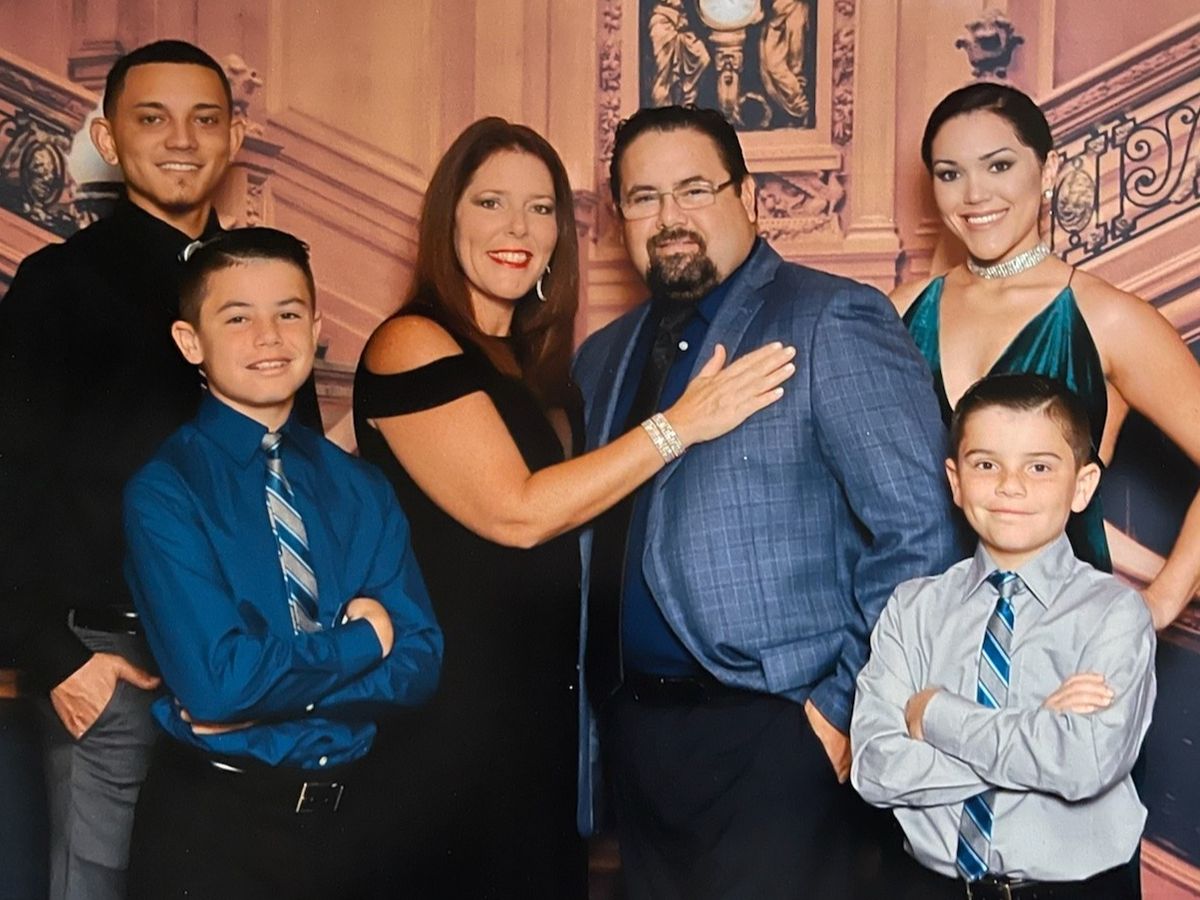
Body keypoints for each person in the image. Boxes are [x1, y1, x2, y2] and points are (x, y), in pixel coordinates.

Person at [352, 117, 792, 898]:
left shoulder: (543, 367)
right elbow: (518, 513)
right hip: (453, 716)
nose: (518, 229)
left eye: (541, 208)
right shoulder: (412, 342)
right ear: (448, 218)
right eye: (490, 203)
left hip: (541, 714)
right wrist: (680, 424)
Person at [573, 104, 962, 900]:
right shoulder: (603, 356)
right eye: (644, 197)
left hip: (775, 734)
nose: (669, 216)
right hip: (635, 736)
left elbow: (922, 529)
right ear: (620, 216)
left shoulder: (829, 318)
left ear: (746, 194)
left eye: (694, 189)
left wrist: (839, 709)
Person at [0, 39, 317, 900]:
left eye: (204, 119)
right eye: (153, 118)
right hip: (115, 669)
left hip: (249, 667)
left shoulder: (268, 285)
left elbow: (300, 479)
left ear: (235, 136)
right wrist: (56, 658)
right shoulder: (57, 287)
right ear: (108, 137)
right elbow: (6, 482)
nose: (181, 139)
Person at [122, 227, 442, 900]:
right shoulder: (165, 492)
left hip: (353, 825)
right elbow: (219, 686)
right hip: (218, 831)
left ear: (317, 328)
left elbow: (420, 662)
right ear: (190, 341)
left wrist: (271, 695)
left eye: (289, 313)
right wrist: (365, 641)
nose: (269, 337)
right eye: (238, 318)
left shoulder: (360, 487)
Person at [893, 81, 1200, 628]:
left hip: (1060, 639)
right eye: (950, 174)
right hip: (921, 633)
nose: (974, 194)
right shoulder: (901, 310)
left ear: (1049, 169)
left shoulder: (1108, 318)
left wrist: (1161, 602)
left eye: (999, 166)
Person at [852, 372, 1155, 900]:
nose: (1010, 486)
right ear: (955, 480)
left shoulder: (1114, 614)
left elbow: (1083, 764)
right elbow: (875, 769)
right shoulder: (912, 609)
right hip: (928, 887)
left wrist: (935, 715)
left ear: (1082, 486)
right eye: (986, 464)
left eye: (1039, 467)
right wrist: (1037, 726)